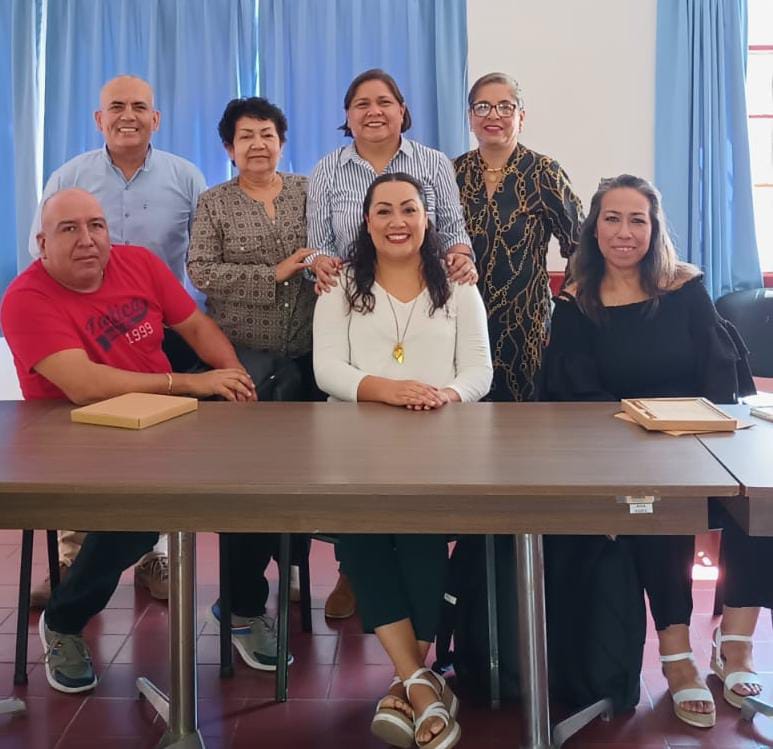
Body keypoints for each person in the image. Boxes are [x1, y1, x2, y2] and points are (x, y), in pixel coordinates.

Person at [1, 188, 256, 693]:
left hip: (160, 421)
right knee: (137, 516)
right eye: (69, 229)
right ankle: (64, 621)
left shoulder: (137, 262)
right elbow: (85, 385)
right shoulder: (25, 298)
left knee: (254, 477)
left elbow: (195, 326)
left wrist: (235, 376)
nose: (87, 239)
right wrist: (190, 383)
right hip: (76, 435)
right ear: (42, 243)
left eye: (96, 225)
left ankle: (245, 608)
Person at [540, 174, 768, 728]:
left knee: (762, 499)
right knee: (659, 507)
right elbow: (576, 393)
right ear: (594, 229)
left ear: (654, 228)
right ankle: (677, 653)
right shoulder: (576, 302)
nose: (625, 232)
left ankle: (735, 643)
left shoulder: (685, 288)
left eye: (637, 220)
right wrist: (641, 427)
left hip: (700, 439)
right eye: (612, 219)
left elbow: (719, 371)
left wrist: (702, 429)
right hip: (625, 447)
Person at [313, 172, 492, 748]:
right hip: (354, 446)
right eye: (384, 210)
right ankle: (419, 681)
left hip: (436, 443)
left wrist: (446, 396)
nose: (397, 221)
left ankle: (405, 684)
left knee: (420, 540)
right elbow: (327, 370)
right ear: (367, 221)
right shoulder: (339, 286)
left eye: (409, 209)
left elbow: (479, 371)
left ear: (426, 219)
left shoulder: (458, 286)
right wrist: (389, 390)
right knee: (362, 539)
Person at [26, 75, 207, 604]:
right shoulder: (70, 176)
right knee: (83, 443)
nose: (129, 115)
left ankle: (155, 554)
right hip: (83, 332)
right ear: (98, 119)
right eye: (117, 107)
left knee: (157, 443)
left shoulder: (185, 176)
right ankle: (73, 557)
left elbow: (201, 255)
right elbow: (41, 252)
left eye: (140, 107)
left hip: (158, 327)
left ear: (156, 118)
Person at [307, 68, 479, 618]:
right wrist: (327, 268)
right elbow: (318, 244)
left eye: (384, 101)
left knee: (420, 511)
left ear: (403, 110)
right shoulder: (328, 169)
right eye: (361, 103)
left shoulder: (434, 164)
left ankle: (414, 620)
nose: (373, 111)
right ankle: (354, 573)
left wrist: (460, 263)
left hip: (428, 304)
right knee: (363, 498)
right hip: (355, 300)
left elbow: (454, 232)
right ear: (347, 115)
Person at [187, 96, 319, 667]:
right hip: (242, 366)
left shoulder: (309, 191)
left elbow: (335, 248)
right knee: (249, 490)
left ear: (282, 142)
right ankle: (241, 606)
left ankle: (285, 568)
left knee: (302, 484)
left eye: (267, 134)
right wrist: (276, 272)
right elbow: (201, 270)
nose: (258, 144)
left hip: (310, 360)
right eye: (246, 136)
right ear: (229, 148)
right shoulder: (214, 202)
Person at [455, 72, 583, 402]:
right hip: (460, 318)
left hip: (524, 324)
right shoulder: (452, 173)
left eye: (505, 107)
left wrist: (566, 307)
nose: (493, 115)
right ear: (470, 117)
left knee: (524, 420)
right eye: (482, 107)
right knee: (464, 413)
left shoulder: (544, 172)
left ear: (521, 117)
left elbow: (580, 244)